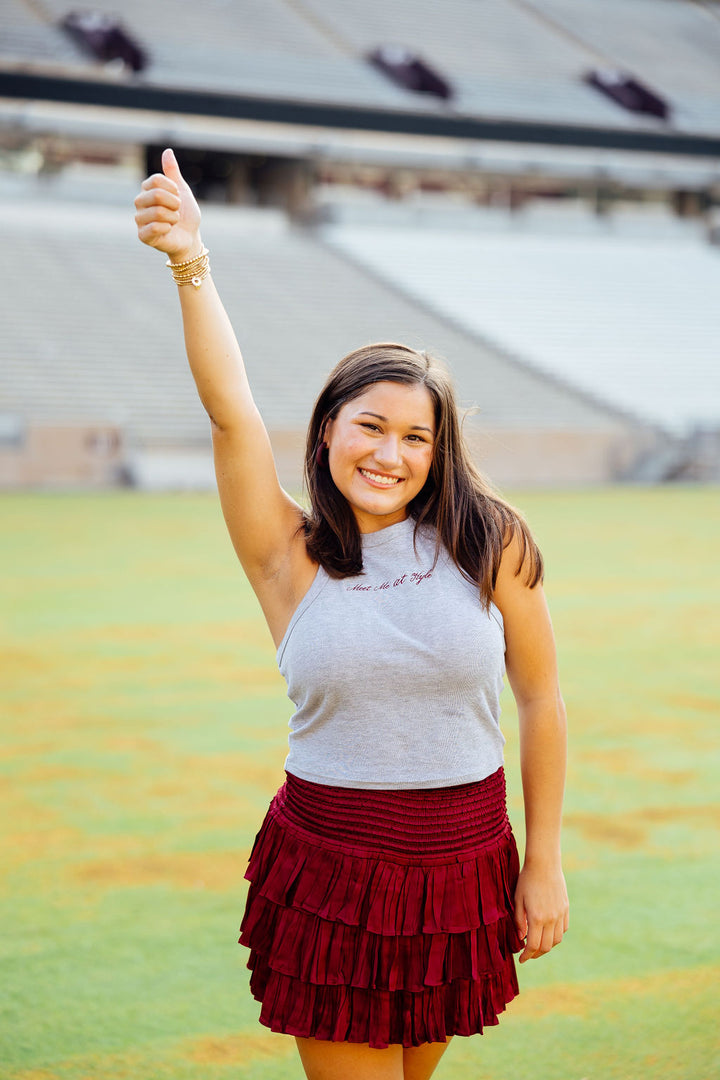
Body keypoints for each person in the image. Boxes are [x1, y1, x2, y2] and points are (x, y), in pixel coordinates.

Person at [134, 148, 569, 1080]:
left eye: (417, 437)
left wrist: (545, 861)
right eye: (370, 424)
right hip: (333, 866)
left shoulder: (493, 542)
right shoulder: (286, 555)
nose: (390, 453)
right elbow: (231, 416)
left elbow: (540, 698)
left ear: (440, 452)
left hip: (464, 863)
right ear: (329, 424)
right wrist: (189, 261)